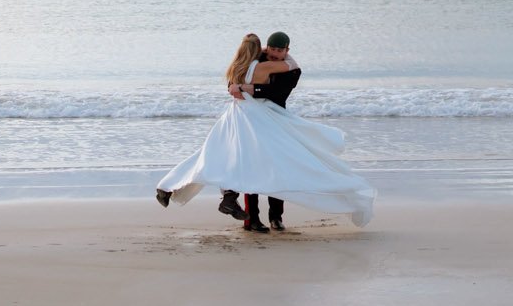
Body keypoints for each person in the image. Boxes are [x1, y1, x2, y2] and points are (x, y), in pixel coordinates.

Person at [154, 30, 375, 231]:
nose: (277, 53)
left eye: (281, 50)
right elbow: (289, 65)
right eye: (273, 49)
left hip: (261, 117)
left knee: (220, 157)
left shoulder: (238, 65)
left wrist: (244, 86)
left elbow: (277, 91)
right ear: (264, 49)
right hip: (254, 119)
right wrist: (244, 85)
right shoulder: (263, 65)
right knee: (244, 163)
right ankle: (248, 216)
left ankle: (266, 214)